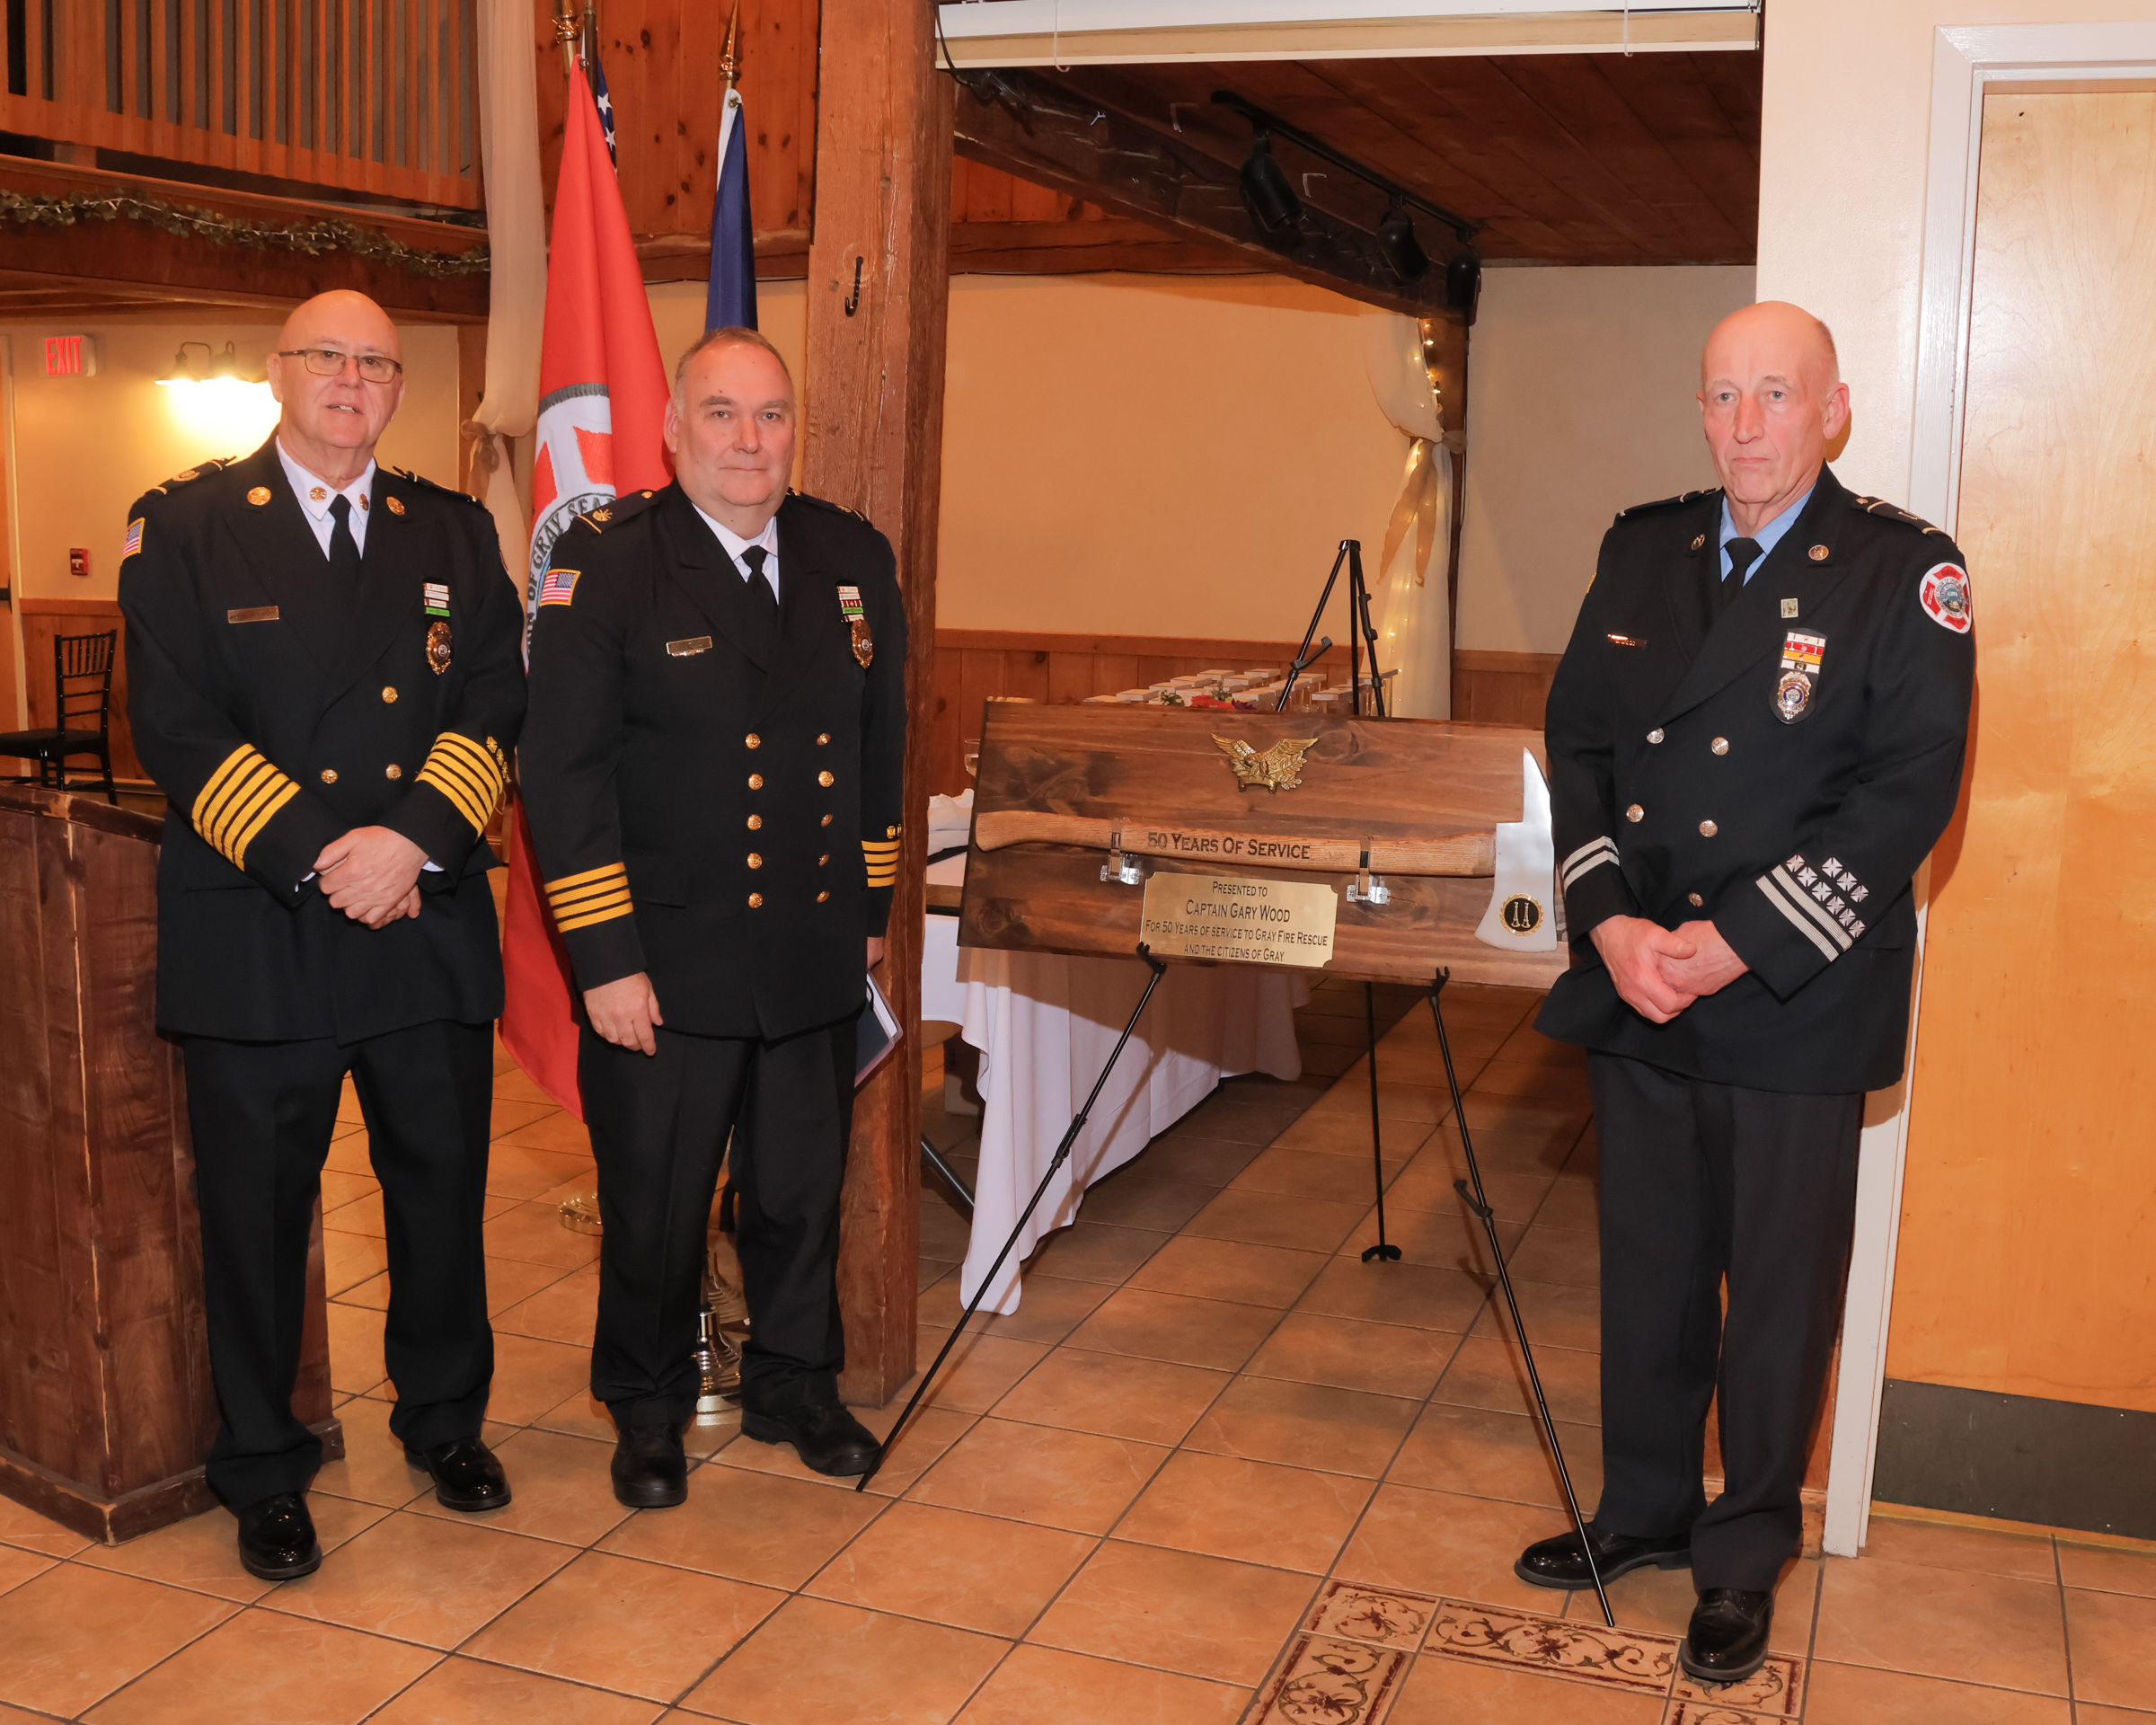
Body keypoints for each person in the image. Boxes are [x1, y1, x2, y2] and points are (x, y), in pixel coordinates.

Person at [1524, 301, 1975, 1680]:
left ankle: (1743, 1553)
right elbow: (1578, 744)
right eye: (1724, 396)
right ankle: (1646, 1507)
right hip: (1640, 976)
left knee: (1777, 1292)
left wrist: (1738, 942)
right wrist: (1608, 923)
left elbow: (1907, 793)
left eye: (1777, 395)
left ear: (1832, 411)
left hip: (1793, 989)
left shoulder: (1903, 571)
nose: (1747, 426)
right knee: (1650, 1267)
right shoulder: (1642, 549)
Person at [119, 290, 527, 1579]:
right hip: (261, 926)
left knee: (441, 1197)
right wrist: (322, 856)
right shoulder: (186, 526)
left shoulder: (451, 530)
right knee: (255, 1220)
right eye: (327, 358)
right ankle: (262, 1464)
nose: (352, 381)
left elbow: (494, 695)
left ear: (400, 387)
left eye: (377, 364)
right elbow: (176, 725)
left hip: (421, 921)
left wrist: (411, 841)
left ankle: (445, 1419)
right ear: (278, 373)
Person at [518, 326, 906, 1505]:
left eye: (771, 415)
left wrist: (870, 906)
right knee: (656, 1204)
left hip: (808, 944)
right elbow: (563, 777)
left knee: (798, 1194)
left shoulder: (850, 555)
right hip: (664, 961)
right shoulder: (609, 562)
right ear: (674, 428)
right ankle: (646, 1408)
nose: (749, 440)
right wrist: (603, 957)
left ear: (795, 432)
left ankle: (795, 1385)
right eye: (723, 414)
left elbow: (878, 743)